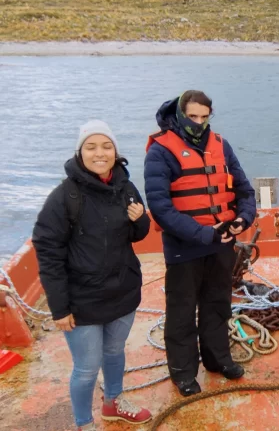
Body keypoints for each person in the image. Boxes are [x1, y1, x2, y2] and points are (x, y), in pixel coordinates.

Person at [32, 120, 152, 431]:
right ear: (80, 152)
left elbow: (138, 234)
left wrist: (141, 220)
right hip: (82, 299)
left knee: (114, 352)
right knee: (86, 369)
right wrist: (60, 308)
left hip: (122, 291)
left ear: (115, 151)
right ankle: (84, 424)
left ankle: (113, 402)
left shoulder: (125, 186)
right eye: (91, 146)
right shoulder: (65, 196)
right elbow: (48, 251)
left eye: (106, 146)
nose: (100, 153)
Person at [144, 90, 257, 396]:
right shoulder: (160, 152)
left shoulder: (221, 145)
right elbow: (161, 207)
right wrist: (204, 233)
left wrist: (242, 220)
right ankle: (183, 373)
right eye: (192, 117)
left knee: (218, 304)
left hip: (221, 244)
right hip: (185, 248)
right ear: (180, 114)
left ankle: (218, 359)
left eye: (204, 117)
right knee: (182, 312)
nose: (198, 123)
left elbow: (245, 190)